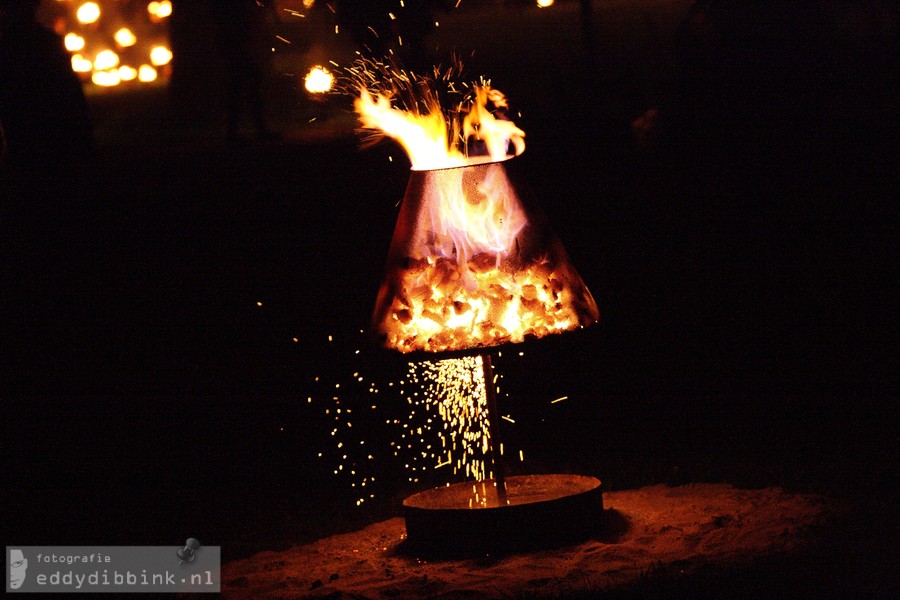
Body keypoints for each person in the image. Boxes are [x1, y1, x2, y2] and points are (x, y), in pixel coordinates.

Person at [0, 0, 93, 168]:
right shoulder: (47, 41)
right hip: (48, 144)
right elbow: (73, 95)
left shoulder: (10, 46)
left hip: (33, 146)